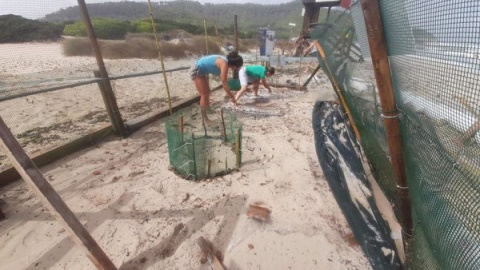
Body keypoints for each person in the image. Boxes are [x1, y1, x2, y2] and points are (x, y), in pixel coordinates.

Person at [190, 51, 243, 120]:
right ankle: (205, 119)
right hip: (197, 69)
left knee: (208, 92)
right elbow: (224, 83)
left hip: (202, 71)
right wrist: (232, 96)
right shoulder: (224, 64)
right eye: (237, 67)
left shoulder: (225, 62)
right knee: (204, 95)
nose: (237, 69)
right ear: (234, 65)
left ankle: (208, 110)